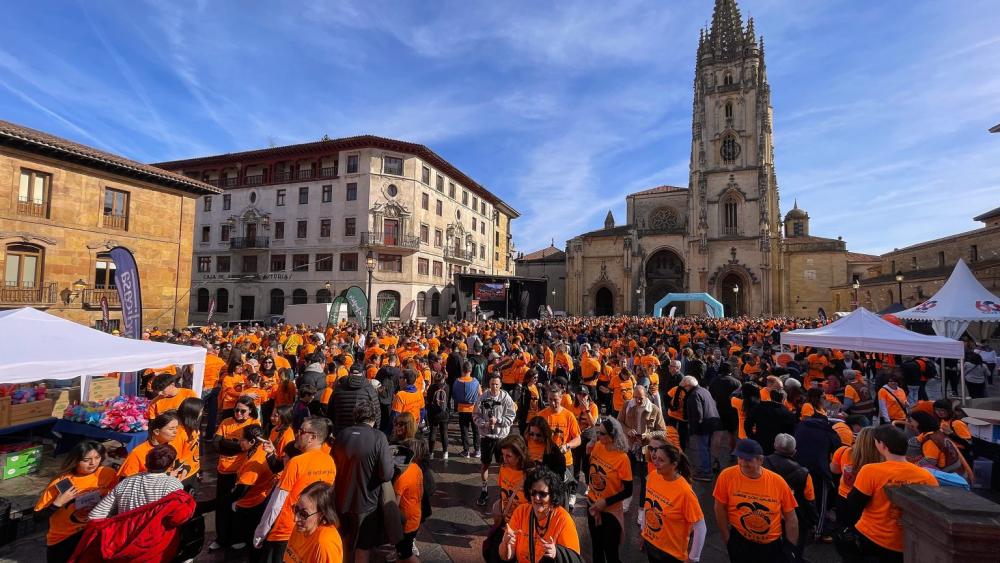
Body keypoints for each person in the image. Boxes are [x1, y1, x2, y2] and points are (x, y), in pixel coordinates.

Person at [74, 444, 194, 562]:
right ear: (171, 465)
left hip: (122, 542)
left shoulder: (127, 482)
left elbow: (95, 516)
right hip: (153, 546)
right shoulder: (173, 485)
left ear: (146, 462)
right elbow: (177, 518)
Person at [840, 424, 938, 563]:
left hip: (871, 536)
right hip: (907, 541)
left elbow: (854, 504)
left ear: (882, 445)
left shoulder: (870, 471)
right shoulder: (926, 476)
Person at [254, 416, 337, 562]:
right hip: (309, 529)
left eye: (301, 431)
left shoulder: (296, 462)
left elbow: (277, 502)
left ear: (312, 437)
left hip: (284, 531)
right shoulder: (330, 462)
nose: (297, 434)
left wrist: (261, 532)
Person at [713, 439, 799, 562]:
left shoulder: (777, 482)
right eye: (740, 458)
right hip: (740, 542)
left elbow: (791, 518)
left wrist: (791, 549)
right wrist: (727, 539)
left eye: (748, 459)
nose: (742, 463)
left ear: (761, 460)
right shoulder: (727, 476)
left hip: (770, 548)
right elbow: (719, 508)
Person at [332, 401, 394, 563]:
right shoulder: (379, 437)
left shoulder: (342, 435)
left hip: (340, 500)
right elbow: (387, 474)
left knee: (344, 541)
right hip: (366, 503)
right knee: (363, 547)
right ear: (374, 418)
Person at [35, 441, 117, 562]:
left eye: (97, 457)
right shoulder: (61, 481)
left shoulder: (107, 474)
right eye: (86, 460)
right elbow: (37, 518)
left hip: (92, 531)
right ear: (76, 460)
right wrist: (57, 503)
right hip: (64, 537)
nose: (93, 463)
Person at [641, 439, 706, 563]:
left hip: (671, 554)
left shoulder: (685, 492)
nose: (656, 463)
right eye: (656, 458)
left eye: (661, 460)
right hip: (651, 545)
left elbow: (700, 528)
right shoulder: (653, 476)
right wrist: (644, 530)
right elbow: (647, 504)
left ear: (674, 464)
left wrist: (693, 558)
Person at [499, 466, 582, 563]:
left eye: (542, 494)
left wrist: (556, 553)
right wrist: (505, 544)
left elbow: (573, 558)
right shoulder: (521, 512)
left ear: (553, 495)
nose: (537, 498)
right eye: (534, 492)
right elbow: (505, 556)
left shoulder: (563, 520)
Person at [211, 396, 258, 551]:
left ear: (250, 411)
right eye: (236, 410)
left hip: (241, 474)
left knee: (238, 506)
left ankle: (237, 538)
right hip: (224, 471)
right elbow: (216, 444)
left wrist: (227, 444)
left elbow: (248, 447)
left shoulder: (253, 424)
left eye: (242, 411)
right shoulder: (226, 423)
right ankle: (221, 538)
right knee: (222, 506)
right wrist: (236, 445)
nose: (238, 413)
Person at [764, 434, 818, 562]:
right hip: (794, 516)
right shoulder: (803, 474)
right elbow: (809, 501)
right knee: (794, 550)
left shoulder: (761, 463)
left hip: (768, 512)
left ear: (774, 446)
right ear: (794, 452)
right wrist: (813, 521)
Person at [585, 417, 632, 563]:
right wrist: (587, 454)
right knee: (596, 547)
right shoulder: (598, 446)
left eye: (603, 434)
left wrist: (605, 502)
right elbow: (589, 476)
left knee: (611, 552)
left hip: (610, 511)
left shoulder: (622, 458)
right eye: (598, 432)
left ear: (613, 436)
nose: (599, 436)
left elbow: (628, 491)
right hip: (592, 504)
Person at [537, 378, 581, 508]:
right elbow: (532, 437)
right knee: (546, 492)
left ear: (561, 398)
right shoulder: (541, 415)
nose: (552, 403)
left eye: (555, 400)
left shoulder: (569, 416)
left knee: (563, 495)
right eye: (550, 399)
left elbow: (578, 439)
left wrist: (567, 446)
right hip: (547, 461)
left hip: (565, 461)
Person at [474, 373, 517, 507]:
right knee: (485, 464)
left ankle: (503, 490)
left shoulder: (506, 398)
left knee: (503, 465)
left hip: (501, 437)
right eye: (492, 384)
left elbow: (511, 417)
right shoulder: (483, 397)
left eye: (497, 384)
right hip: (487, 437)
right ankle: (484, 489)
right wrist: (485, 424)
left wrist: (498, 420)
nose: (494, 387)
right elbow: (475, 415)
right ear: (489, 384)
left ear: (501, 385)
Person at [231, 424, 272, 551]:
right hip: (259, 495)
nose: (239, 442)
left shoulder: (254, 463)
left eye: (242, 439)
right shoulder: (260, 448)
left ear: (252, 441)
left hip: (251, 501)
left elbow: (242, 489)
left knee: (248, 526)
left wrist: (234, 500)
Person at [284, 481, 344, 563]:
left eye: (304, 514)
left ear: (321, 514)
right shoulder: (302, 527)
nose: (296, 519)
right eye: (296, 509)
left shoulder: (324, 545)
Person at [118, 412, 184, 479]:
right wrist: (166, 476)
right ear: (157, 432)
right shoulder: (138, 453)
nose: (175, 431)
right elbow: (126, 480)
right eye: (171, 429)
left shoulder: (172, 444)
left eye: (176, 428)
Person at [682, 375, 720, 482]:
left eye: (685, 387)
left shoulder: (694, 395)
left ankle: (705, 472)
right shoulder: (703, 390)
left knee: (702, 448)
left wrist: (693, 430)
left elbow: (697, 415)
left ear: (689, 386)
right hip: (712, 422)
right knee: (707, 447)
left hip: (703, 426)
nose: (684, 389)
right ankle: (711, 466)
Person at [392, 439, 425, 563]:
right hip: (415, 515)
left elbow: (394, 503)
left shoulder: (403, 475)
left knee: (406, 555)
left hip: (406, 521)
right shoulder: (417, 468)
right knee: (401, 554)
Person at [327, 363, 380, 436]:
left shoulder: (339, 388)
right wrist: (375, 429)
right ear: (363, 373)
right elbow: (377, 411)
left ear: (349, 373)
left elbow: (330, 411)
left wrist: (331, 430)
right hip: (362, 433)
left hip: (341, 432)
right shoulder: (369, 388)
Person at [747, 389, 796, 455]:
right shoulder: (787, 414)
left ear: (771, 396)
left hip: (759, 442)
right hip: (776, 447)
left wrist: (752, 437)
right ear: (784, 399)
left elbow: (747, 423)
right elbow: (790, 432)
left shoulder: (758, 407)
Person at [494, 435, 529, 525]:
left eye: (508, 456)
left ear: (519, 456)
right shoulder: (503, 468)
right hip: (506, 521)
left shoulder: (529, 475)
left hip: (522, 523)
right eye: (503, 454)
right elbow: (501, 491)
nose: (504, 459)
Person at [453, 360, 483, 458]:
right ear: (471, 370)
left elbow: (454, 396)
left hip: (462, 409)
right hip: (474, 409)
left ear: (462, 370)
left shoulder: (457, 382)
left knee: (464, 431)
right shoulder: (475, 381)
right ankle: (477, 450)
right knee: (476, 430)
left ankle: (466, 451)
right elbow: (480, 395)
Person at [175, 397, 204, 488]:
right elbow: (176, 460)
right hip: (183, 476)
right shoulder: (179, 434)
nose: (202, 413)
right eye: (201, 411)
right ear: (192, 413)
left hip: (193, 470)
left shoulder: (192, 428)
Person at [425, 371, 450, 459]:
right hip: (444, 414)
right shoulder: (447, 387)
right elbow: (449, 400)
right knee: (444, 433)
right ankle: (445, 452)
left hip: (433, 414)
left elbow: (428, 400)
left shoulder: (432, 388)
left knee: (433, 432)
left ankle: (431, 453)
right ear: (443, 378)